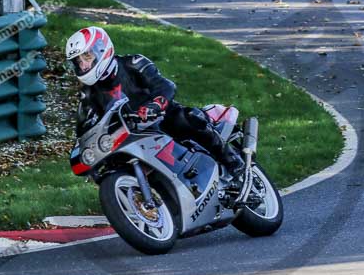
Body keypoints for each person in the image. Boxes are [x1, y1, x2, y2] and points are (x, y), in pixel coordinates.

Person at [65, 26, 245, 178]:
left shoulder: (133, 63)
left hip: (162, 118)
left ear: (101, 48)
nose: (84, 66)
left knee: (186, 118)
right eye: (78, 62)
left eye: (87, 57)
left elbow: (165, 85)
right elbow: (84, 128)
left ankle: (229, 158)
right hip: (133, 137)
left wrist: (156, 104)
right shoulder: (88, 95)